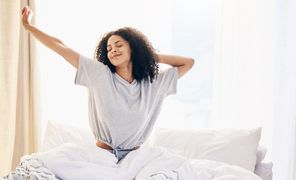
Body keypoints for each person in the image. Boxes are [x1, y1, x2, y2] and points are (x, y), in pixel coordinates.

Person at [21, 6, 194, 162]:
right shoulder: (100, 74)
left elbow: (188, 62)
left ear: (134, 48)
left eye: (118, 45)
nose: (113, 50)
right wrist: (29, 27)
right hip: (101, 157)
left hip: (136, 159)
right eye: (109, 49)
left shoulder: (152, 84)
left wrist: (148, 55)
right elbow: (61, 47)